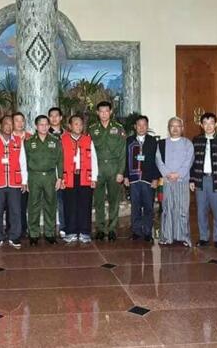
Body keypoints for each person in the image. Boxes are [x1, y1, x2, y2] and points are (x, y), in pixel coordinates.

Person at [0, 115, 27, 250]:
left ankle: (14, 237)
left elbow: (23, 161)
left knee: (16, 211)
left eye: (11, 124)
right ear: (1, 125)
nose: (8, 126)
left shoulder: (18, 141)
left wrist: (24, 180)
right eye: (6, 124)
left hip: (15, 182)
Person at [190, 112, 217, 249]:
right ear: (201, 125)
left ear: (216, 124)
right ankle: (203, 237)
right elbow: (192, 162)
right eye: (205, 123)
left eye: (211, 123)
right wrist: (192, 180)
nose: (208, 126)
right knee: (201, 211)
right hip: (200, 179)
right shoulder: (196, 140)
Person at [89, 101, 126, 241]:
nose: (104, 114)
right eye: (101, 111)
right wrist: (91, 173)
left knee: (114, 200)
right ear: (97, 113)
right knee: (98, 200)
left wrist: (121, 172)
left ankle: (112, 229)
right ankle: (100, 228)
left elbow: (123, 152)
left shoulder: (119, 129)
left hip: (113, 168)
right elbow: (88, 152)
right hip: (97, 168)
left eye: (106, 111)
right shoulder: (92, 129)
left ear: (111, 112)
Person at [155, 117, 194, 247]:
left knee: (182, 210)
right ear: (168, 128)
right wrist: (168, 174)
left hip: (182, 180)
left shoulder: (188, 144)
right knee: (167, 209)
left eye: (178, 126)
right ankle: (167, 237)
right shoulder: (161, 144)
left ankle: (183, 237)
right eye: (172, 126)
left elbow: (189, 161)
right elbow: (158, 160)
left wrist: (178, 174)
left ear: (182, 128)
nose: (175, 129)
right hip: (167, 181)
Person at [25, 115, 63, 245]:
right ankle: (33, 234)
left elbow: (60, 160)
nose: (44, 127)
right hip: (34, 177)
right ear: (36, 126)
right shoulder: (28, 142)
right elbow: (24, 162)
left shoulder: (55, 141)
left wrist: (60, 178)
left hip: (50, 176)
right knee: (33, 206)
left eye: (46, 124)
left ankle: (50, 233)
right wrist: (25, 180)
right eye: (41, 124)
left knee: (51, 205)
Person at [60, 115, 98, 244]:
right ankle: (70, 232)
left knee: (85, 204)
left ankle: (84, 232)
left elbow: (94, 159)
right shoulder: (62, 140)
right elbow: (58, 161)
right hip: (68, 177)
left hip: (84, 177)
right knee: (69, 205)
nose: (79, 126)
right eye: (76, 124)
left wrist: (94, 178)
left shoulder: (88, 140)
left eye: (81, 124)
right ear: (70, 126)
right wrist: (60, 178)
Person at [123, 115, 161, 243]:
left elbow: (157, 161)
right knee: (135, 206)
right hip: (133, 179)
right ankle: (136, 231)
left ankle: (148, 232)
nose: (141, 127)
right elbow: (125, 159)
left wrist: (155, 178)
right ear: (135, 127)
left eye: (144, 125)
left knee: (149, 206)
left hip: (148, 179)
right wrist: (126, 176)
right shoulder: (129, 141)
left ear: (147, 126)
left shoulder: (152, 141)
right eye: (139, 125)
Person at [12, 112, 33, 237]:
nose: (20, 123)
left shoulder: (31, 137)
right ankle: (12, 228)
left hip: (28, 176)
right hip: (12, 176)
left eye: (22, 120)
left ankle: (23, 228)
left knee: (24, 204)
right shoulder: (8, 138)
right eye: (17, 120)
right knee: (12, 204)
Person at [48, 107, 66, 237]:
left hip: (64, 172)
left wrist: (64, 175)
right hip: (48, 173)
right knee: (49, 202)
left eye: (56, 115)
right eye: (51, 116)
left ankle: (63, 227)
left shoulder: (67, 135)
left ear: (61, 118)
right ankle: (49, 229)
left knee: (62, 201)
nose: (54, 118)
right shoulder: (44, 134)